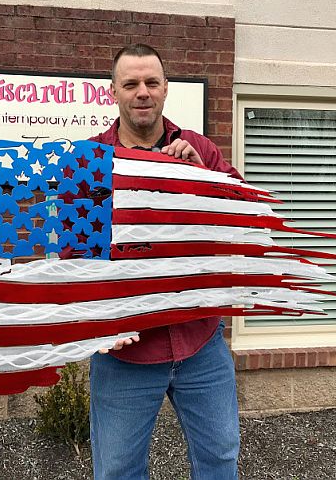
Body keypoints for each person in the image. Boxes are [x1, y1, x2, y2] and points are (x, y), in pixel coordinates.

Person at [88, 43, 242, 480]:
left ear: (166, 89)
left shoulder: (197, 149)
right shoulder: (89, 161)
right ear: (113, 92)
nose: (142, 92)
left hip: (201, 341)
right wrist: (101, 319)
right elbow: (74, 252)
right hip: (127, 349)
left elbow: (247, 215)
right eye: (131, 83)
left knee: (220, 461)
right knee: (117, 471)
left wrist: (206, 179)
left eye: (151, 83)